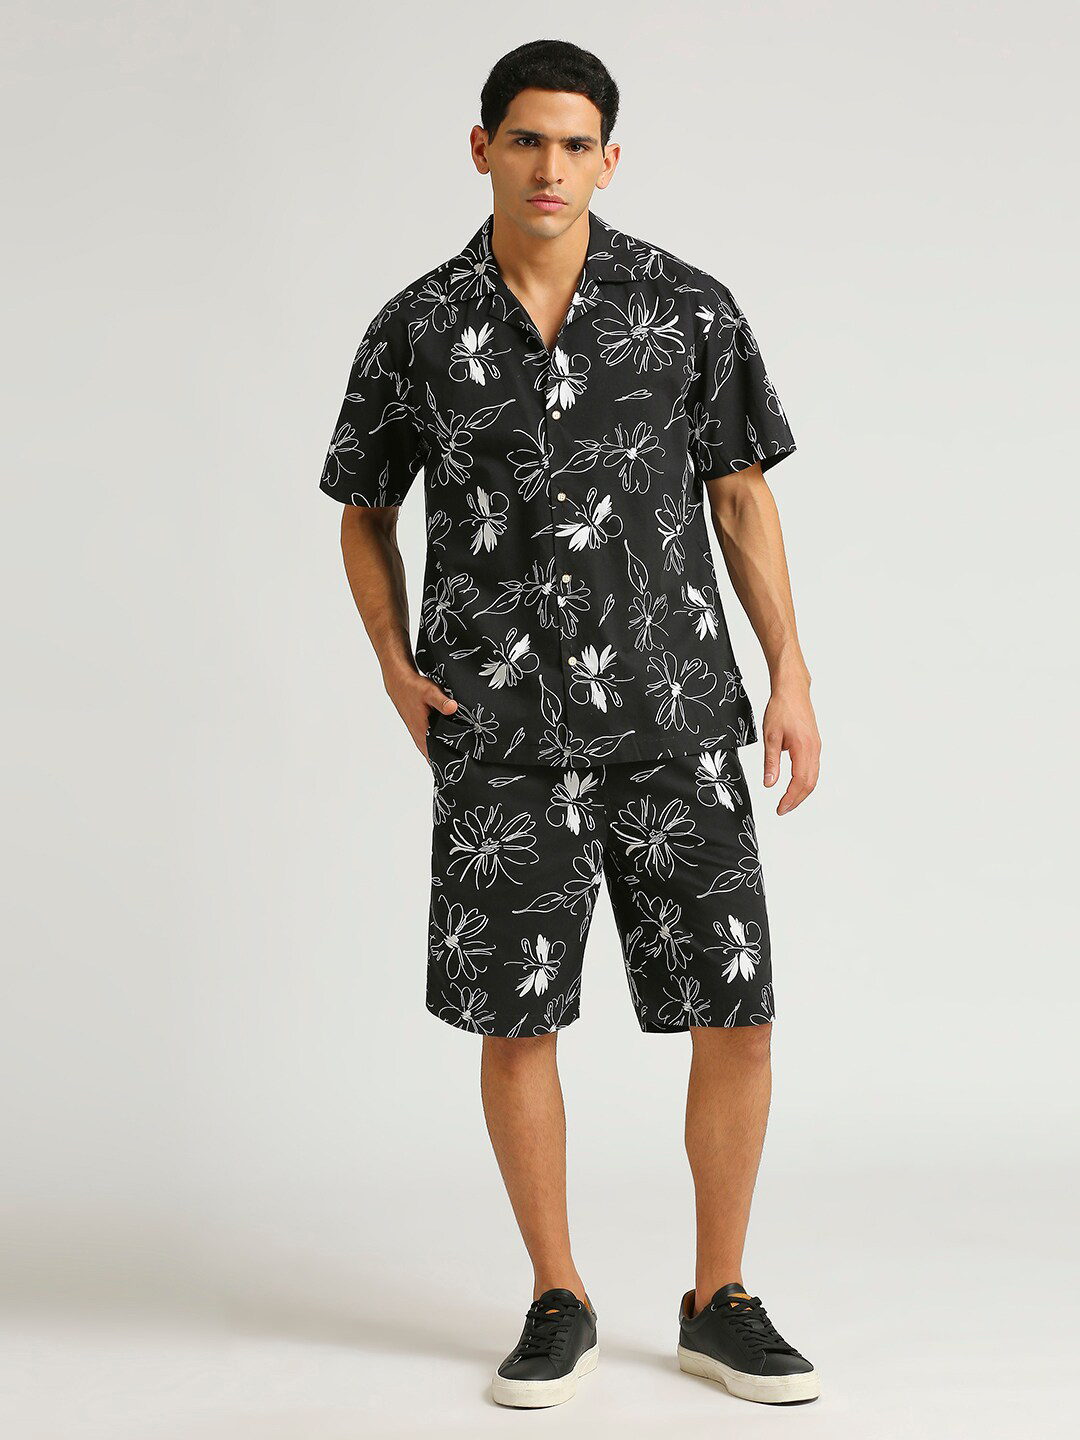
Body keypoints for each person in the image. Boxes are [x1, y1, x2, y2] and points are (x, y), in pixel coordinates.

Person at [318, 38, 822, 1411]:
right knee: (517, 1021)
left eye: (576, 143)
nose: (552, 166)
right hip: (499, 731)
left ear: (610, 159)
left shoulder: (685, 308)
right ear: (481, 147)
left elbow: (740, 496)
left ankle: (720, 1299)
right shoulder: (418, 329)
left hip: (676, 717)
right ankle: (557, 1294)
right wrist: (392, 661)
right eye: (528, 139)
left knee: (738, 1012)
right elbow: (363, 507)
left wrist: (790, 673)